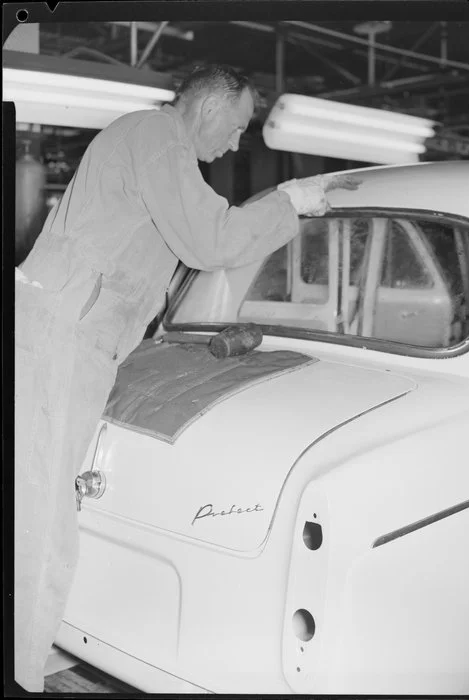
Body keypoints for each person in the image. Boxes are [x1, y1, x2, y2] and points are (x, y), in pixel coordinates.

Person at [14, 62, 360, 691]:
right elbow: (212, 240)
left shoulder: (156, 154)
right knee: (41, 519)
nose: (234, 144)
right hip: (62, 339)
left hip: (67, 335)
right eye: (237, 127)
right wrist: (291, 203)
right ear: (208, 108)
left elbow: (179, 254)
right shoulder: (157, 138)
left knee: (38, 503)